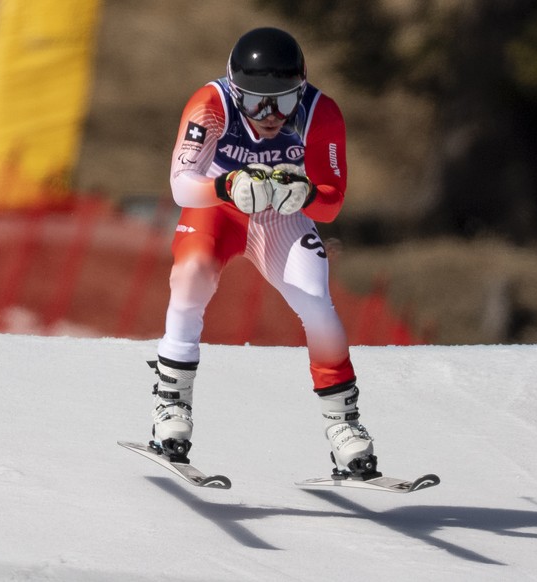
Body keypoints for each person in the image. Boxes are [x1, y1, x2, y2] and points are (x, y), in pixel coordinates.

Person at [148, 27, 378, 479]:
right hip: (219, 210)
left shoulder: (320, 112)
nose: (270, 115)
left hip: (279, 215)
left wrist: (306, 193)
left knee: (316, 298)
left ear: (301, 91)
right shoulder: (211, 104)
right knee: (191, 277)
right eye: (255, 103)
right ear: (235, 92)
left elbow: (332, 203)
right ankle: (171, 403)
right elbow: (181, 184)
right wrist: (225, 184)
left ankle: (343, 424)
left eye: (283, 101)